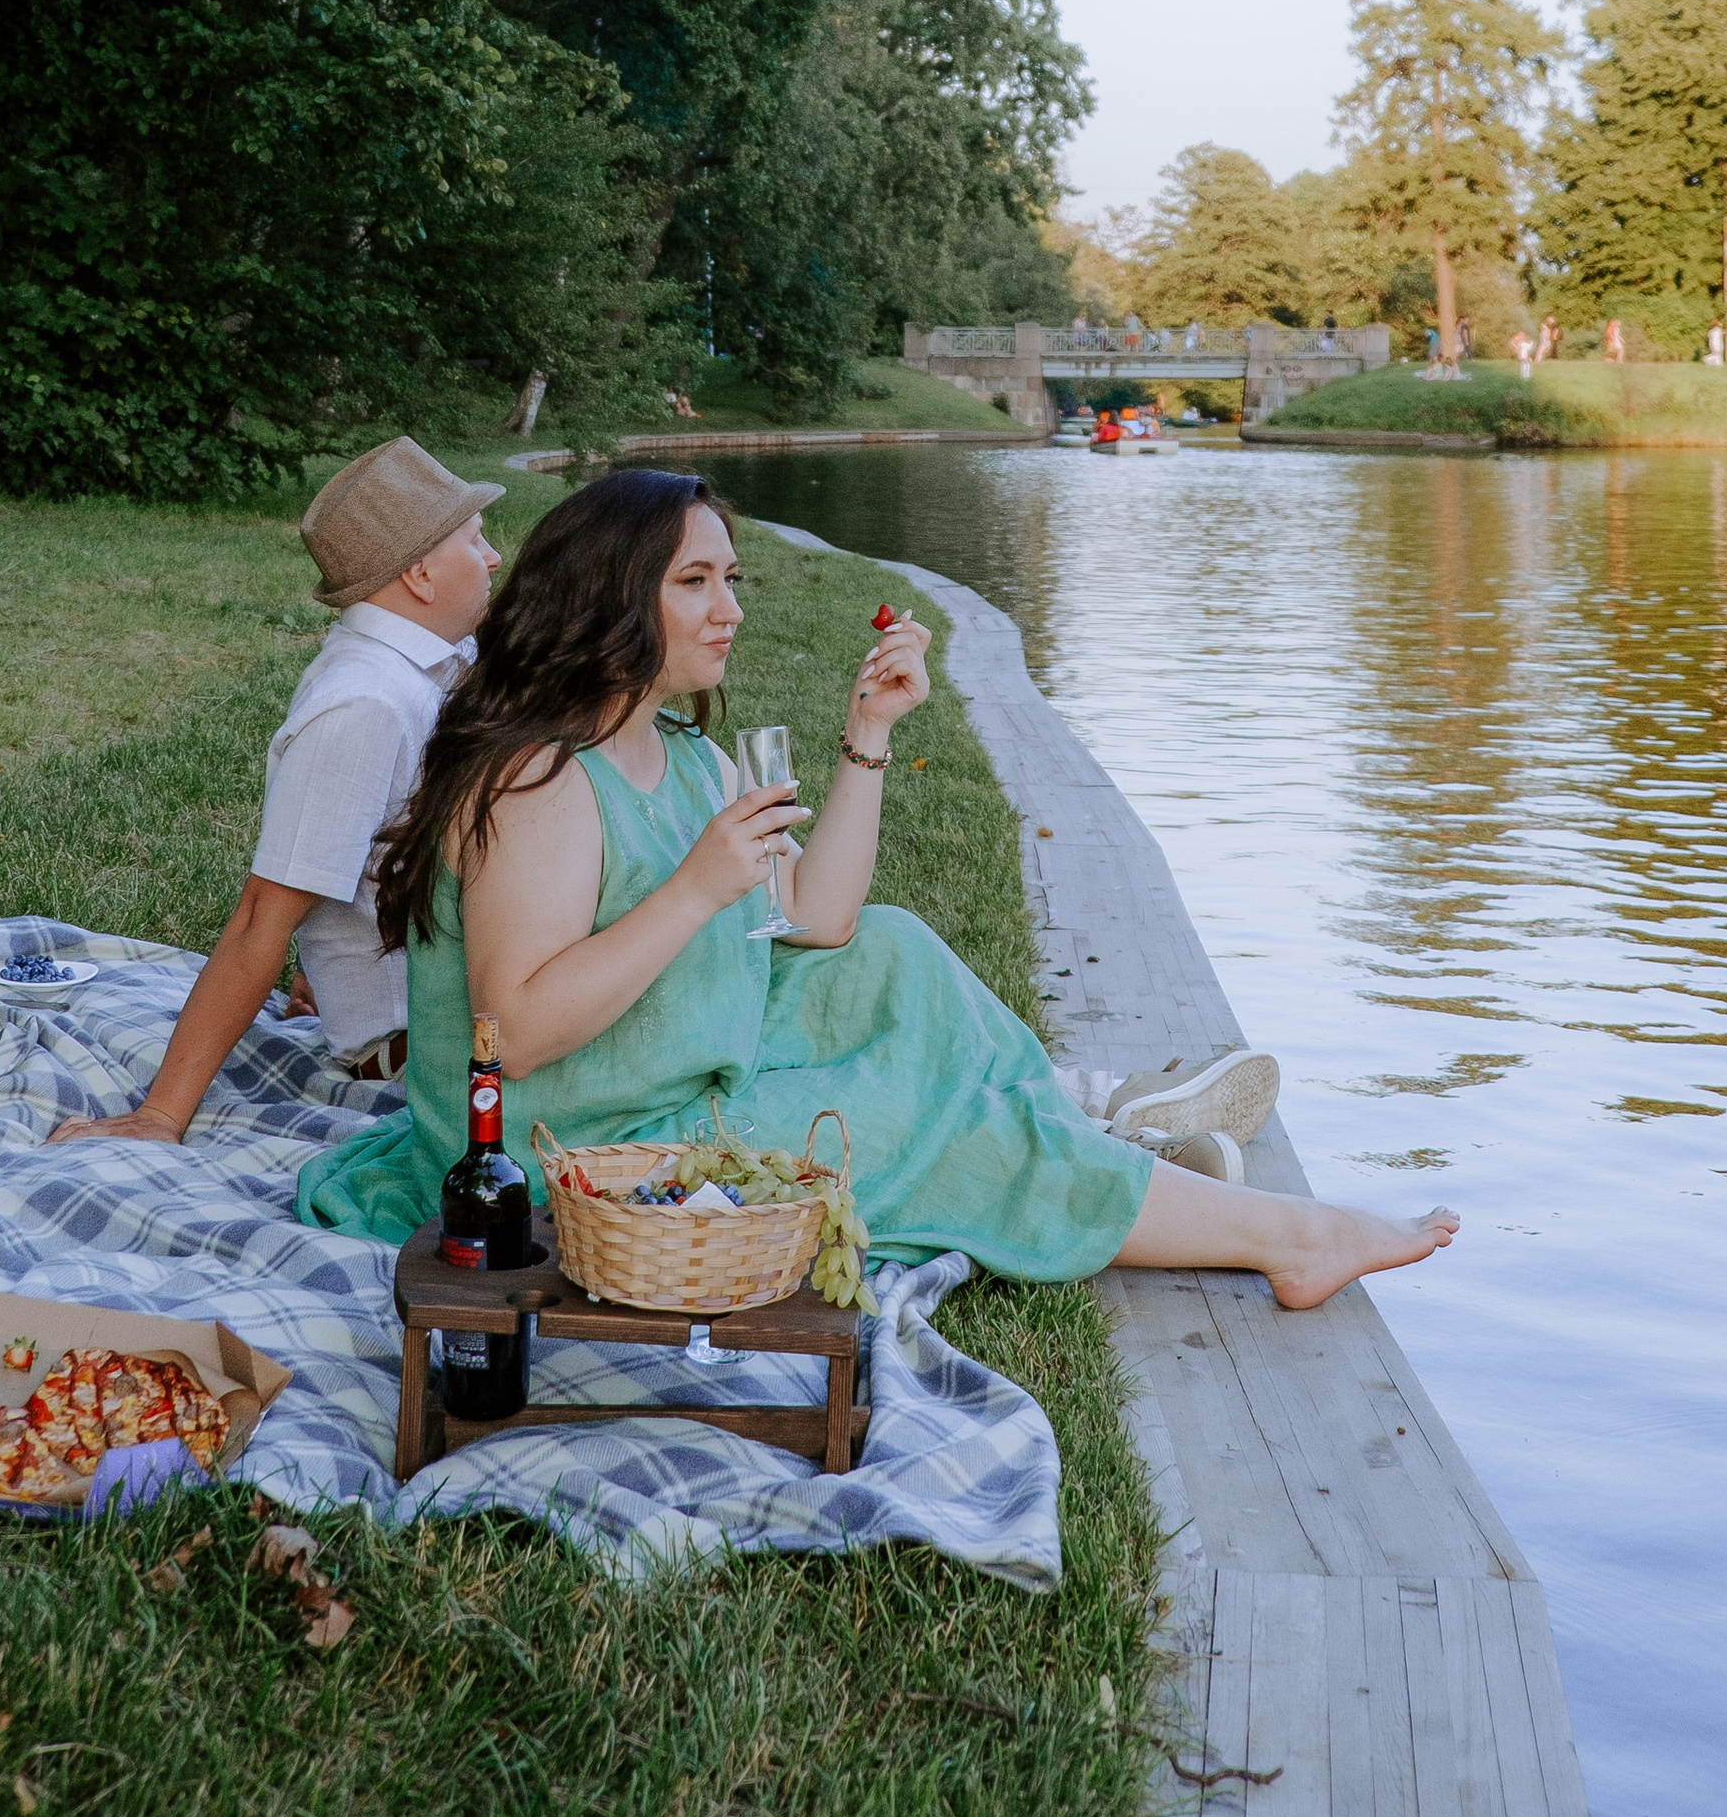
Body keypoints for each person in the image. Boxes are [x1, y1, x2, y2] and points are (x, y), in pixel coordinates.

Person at [295, 472, 1457, 1313]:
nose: (730, 608)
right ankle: (1279, 1233)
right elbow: (515, 1029)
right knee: (927, 1127)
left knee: (893, 957)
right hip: (586, 1143)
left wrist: (868, 736)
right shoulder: (538, 774)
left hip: (663, 1062)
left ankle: (1114, 1160)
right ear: (608, 597)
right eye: (693, 581)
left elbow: (818, 920)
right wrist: (697, 890)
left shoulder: (685, 756)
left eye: (729, 578)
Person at [50, 438, 501, 1144]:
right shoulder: (363, 705)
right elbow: (263, 913)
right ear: (418, 573)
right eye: (476, 541)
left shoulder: (427, 668)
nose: (495, 558)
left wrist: (331, 963)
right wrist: (159, 1115)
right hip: (433, 1063)